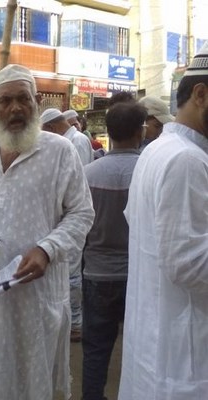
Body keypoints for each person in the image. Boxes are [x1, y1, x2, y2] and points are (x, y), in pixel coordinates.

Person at [0, 64, 94, 399]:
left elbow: (82, 213)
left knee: (34, 380)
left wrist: (47, 249)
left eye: (23, 99)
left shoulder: (60, 151)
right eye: (6, 101)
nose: (15, 108)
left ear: (37, 102)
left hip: (37, 293)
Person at [118, 43, 208, 400]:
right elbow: (190, 264)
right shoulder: (187, 161)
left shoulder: (158, 150)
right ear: (201, 95)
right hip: (182, 357)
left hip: (159, 345)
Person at [82, 101, 147, 400]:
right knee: (139, 349)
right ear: (140, 132)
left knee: (95, 348)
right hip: (137, 276)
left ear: (108, 132)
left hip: (97, 273)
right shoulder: (148, 172)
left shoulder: (88, 173)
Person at [40, 107, 93, 342]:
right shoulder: (70, 140)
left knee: (71, 272)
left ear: (51, 128)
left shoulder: (75, 142)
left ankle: (76, 324)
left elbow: (76, 185)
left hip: (71, 215)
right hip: (62, 215)